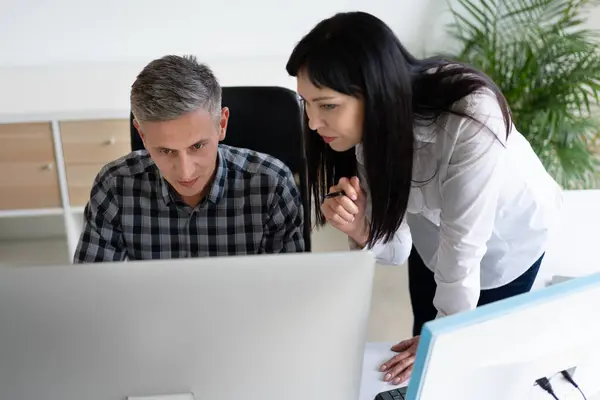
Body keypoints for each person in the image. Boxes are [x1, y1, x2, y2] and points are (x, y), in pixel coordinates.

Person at [286, 12, 563, 385]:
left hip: (506, 244)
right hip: (433, 244)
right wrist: (359, 227)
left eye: (327, 105)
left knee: (476, 367)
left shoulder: (470, 116)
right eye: (307, 103)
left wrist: (444, 342)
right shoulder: (367, 133)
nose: (313, 123)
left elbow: (464, 250)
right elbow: (397, 248)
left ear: (375, 89)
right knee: (424, 349)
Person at [74, 55, 305, 262]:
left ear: (221, 124)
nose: (185, 172)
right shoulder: (114, 185)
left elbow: (287, 289)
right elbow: (94, 290)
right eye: (165, 151)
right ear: (142, 135)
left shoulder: (272, 185)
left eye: (197, 146)